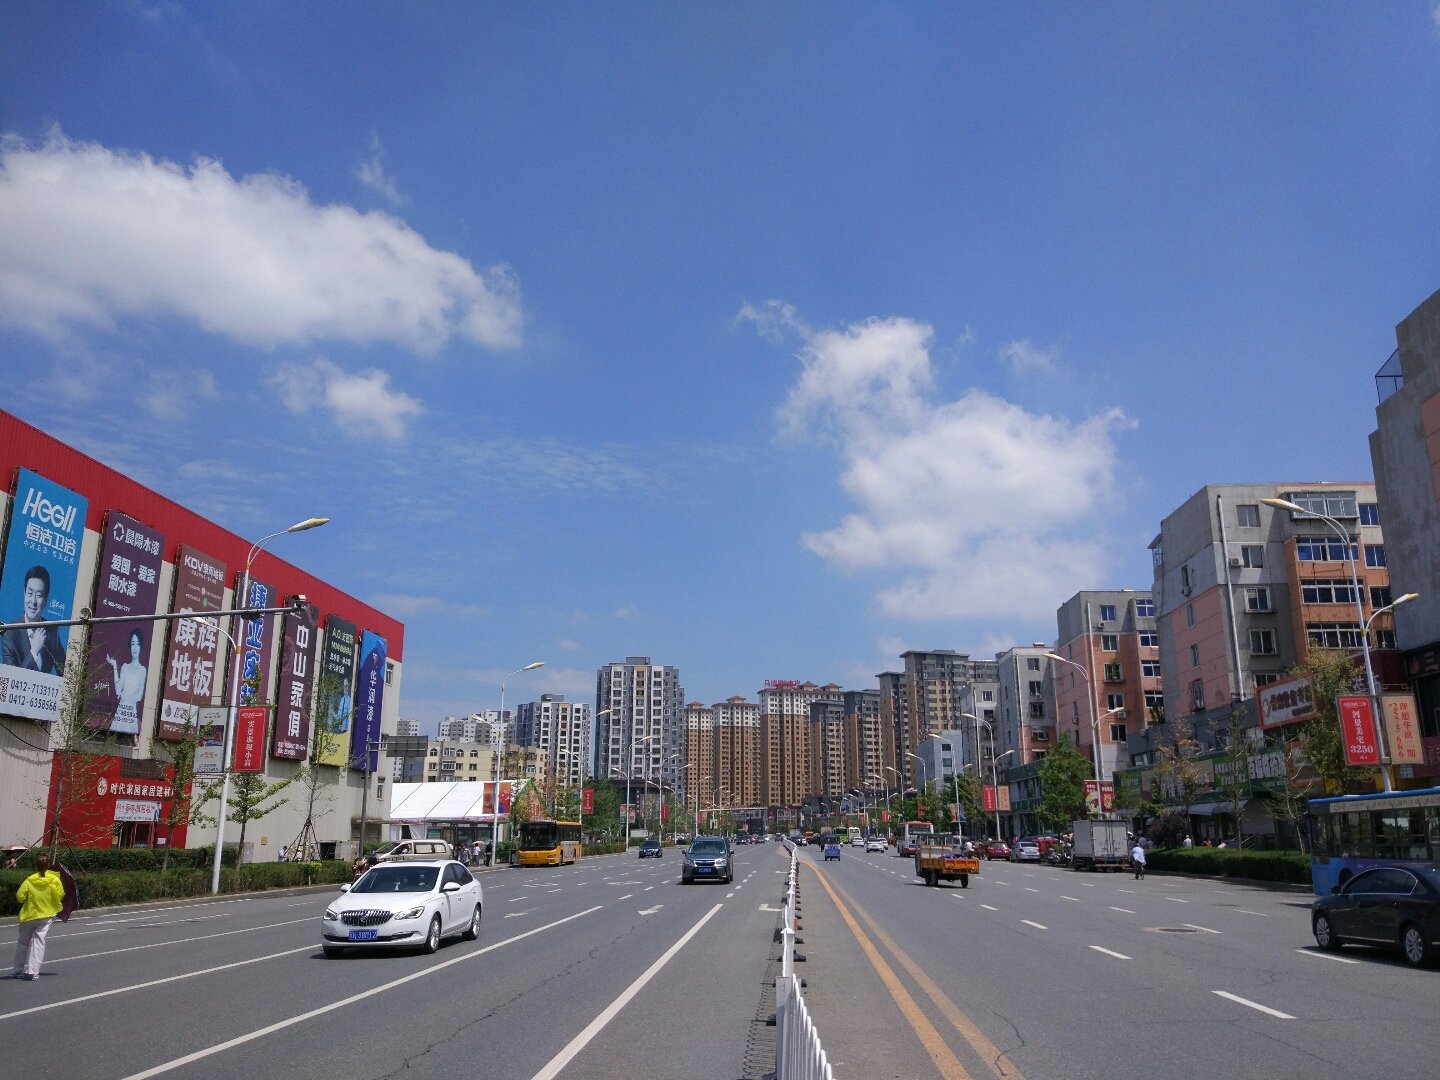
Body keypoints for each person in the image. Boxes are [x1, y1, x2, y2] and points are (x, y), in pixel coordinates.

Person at [2, 565, 66, 674]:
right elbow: (11, 677)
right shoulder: (9, 633)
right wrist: (34, 651)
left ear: (45, 600)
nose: (33, 601)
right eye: (30, 594)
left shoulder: (51, 630)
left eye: (39, 595)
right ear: (24, 594)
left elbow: (65, 671)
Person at [12, 853, 66, 980]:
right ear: (48, 865)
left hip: (29, 915)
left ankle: (17, 970)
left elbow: (20, 897)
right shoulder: (54, 880)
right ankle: (33, 972)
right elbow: (61, 895)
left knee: (22, 943)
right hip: (46, 916)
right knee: (38, 943)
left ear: (36, 865)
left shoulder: (29, 880)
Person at [106, 629, 147, 731]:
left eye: (137, 644)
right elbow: (118, 690)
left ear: (141, 646)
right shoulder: (124, 667)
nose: (135, 647)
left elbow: (139, 696)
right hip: (120, 713)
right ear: (130, 646)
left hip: (131, 714)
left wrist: (125, 697)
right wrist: (114, 666)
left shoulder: (142, 670)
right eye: (133, 644)